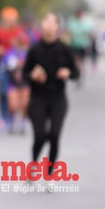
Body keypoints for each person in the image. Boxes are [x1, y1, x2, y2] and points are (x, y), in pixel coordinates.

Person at [22, 13, 79, 179]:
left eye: (52, 22)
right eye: (45, 21)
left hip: (58, 98)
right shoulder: (34, 49)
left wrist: (67, 72)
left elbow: (76, 73)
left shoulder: (64, 49)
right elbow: (24, 73)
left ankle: (49, 173)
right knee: (39, 136)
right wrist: (33, 75)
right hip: (38, 98)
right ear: (41, 25)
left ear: (57, 26)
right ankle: (33, 164)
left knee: (54, 135)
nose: (48, 25)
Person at [0, 6, 25, 130]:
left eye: (12, 19)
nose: (9, 21)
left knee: (18, 92)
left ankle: (19, 118)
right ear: (3, 19)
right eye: (7, 19)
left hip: (17, 67)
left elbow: (25, 44)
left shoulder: (19, 31)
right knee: (4, 92)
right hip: (3, 65)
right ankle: (4, 118)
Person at [0, 32, 30, 134]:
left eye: (23, 42)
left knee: (25, 104)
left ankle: (23, 123)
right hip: (12, 83)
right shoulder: (9, 53)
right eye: (19, 42)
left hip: (25, 83)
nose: (21, 44)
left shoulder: (29, 53)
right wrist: (13, 65)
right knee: (13, 105)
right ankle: (12, 122)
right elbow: (3, 66)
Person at [65, 10, 95, 84]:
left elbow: (91, 34)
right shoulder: (72, 22)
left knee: (82, 61)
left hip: (84, 45)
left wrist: (90, 38)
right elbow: (68, 32)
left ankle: (80, 71)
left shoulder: (86, 23)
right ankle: (78, 71)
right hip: (75, 45)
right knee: (76, 60)